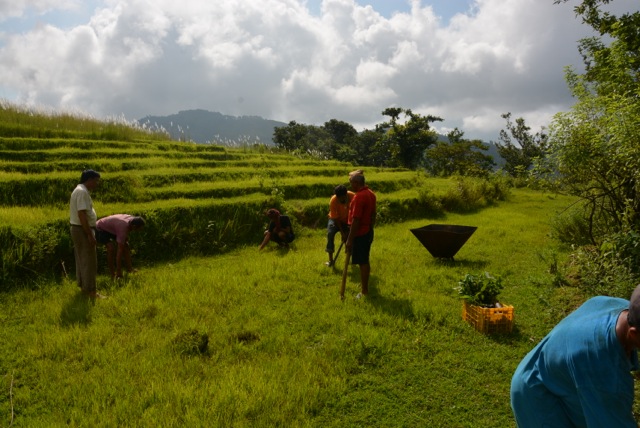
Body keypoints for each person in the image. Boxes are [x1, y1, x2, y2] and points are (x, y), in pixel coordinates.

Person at [510, 285, 640, 427]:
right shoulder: (602, 368)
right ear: (633, 334)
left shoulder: (625, 310)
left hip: (565, 378)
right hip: (536, 391)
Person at [69, 169, 104, 299]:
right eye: (95, 181)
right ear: (89, 180)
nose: (96, 184)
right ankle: (91, 291)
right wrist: (89, 234)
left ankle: (84, 287)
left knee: (82, 259)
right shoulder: (82, 192)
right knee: (89, 260)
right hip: (82, 229)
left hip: (78, 229)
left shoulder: (79, 190)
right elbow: (81, 214)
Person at [345, 172, 376, 298]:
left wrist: (350, 239)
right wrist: (370, 228)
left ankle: (364, 291)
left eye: (351, 182)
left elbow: (356, 220)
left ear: (356, 183)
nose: (350, 185)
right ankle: (364, 288)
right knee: (364, 260)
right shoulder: (371, 193)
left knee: (363, 261)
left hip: (360, 232)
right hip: (367, 230)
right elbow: (374, 214)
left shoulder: (359, 197)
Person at [95, 214, 145, 279]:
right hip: (99, 228)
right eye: (139, 229)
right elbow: (120, 250)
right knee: (111, 248)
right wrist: (119, 269)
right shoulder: (123, 227)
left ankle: (130, 269)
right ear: (134, 226)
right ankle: (113, 273)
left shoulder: (132, 220)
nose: (139, 231)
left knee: (126, 245)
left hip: (110, 228)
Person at [325, 184, 355, 266]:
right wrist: (342, 232)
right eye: (339, 198)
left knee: (349, 238)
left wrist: (348, 229)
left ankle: (349, 258)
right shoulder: (333, 200)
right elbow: (336, 218)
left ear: (346, 195)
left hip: (348, 220)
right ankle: (331, 260)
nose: (341, 200)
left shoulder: (353, 196)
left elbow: (355, 213)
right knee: (330, 234)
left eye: (343, 197)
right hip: (335, 220)